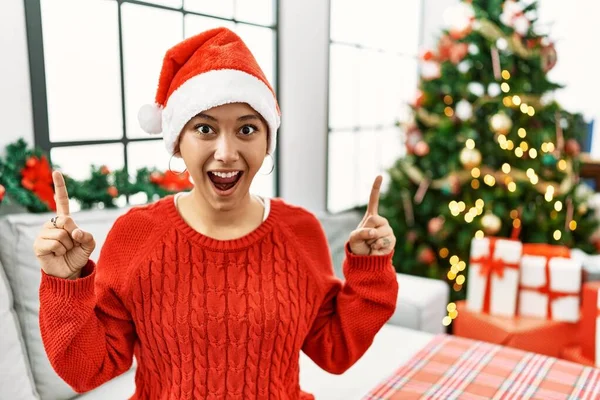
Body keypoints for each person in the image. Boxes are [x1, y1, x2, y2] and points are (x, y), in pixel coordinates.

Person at [34, 27, 399, 400]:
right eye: (205, 128)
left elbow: (334, 351)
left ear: (267, 140)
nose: (226, 152)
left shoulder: (301, 230)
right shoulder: (136, 234)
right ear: (178, 141)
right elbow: (88, 371)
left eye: (246, 129)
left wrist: (370, 272)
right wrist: (64, 282)